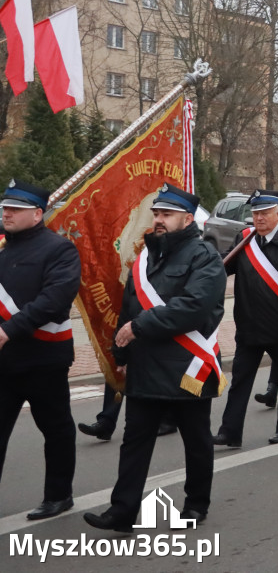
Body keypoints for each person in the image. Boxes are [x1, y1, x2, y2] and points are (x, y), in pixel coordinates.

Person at [85, 183, 226, 532]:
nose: (159, 220)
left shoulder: (204, 256)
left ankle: (196, 504)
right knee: (135, 441)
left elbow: (194, 307)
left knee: (196, 440)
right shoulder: (145, 256)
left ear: (188, 218)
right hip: (147, 365)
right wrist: (120, 351)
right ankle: (122, 511)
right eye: (157, 214)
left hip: (188, 365)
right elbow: (129, 308)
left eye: (167, 214)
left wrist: (139, 326)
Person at [213, 191, 278, 449]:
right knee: (240, 380)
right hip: (248, 323)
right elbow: (224, 266)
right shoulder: (245, 239)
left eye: (264, 213)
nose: (259, 218)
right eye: (256, 213)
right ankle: (230, 432)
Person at [0, 180, 81, 521]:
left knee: (56, 427)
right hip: (5, 361)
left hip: (44, 358)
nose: (6, 213)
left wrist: (8, 329)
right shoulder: (3, 250)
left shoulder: (60, 250)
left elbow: (54, 300)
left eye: (15, 209)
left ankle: (59, 495)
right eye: (5, 207)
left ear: (37, 214)